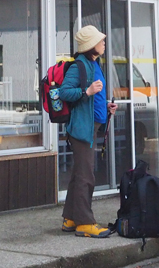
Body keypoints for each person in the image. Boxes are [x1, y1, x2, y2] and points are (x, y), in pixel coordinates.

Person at [59, 25, 118, 239]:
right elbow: (64, 92)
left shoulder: (94, 64)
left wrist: (106, 107)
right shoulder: (79, 66)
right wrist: (87, 91)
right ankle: (85, 223)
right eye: (100, 40)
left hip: (91, 125)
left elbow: (94, 97)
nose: (104, 43)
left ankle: (70, 218)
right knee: (86, 176)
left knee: (79, 174)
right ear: (91, 45)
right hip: (82, 128)